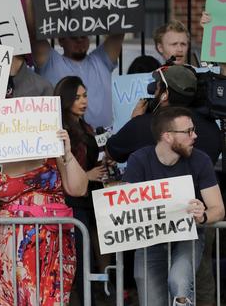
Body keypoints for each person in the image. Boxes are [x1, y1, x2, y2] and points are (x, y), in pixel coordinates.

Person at [0, 129, 88, 305]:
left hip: (53, 243)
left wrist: (67, 153)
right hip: (12, 249)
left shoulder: (50, 146)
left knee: (53, 299)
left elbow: (79, 189)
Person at [122, 106, 225, 306]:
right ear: (167, 136)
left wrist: (202, 216)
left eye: (193, 130)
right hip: (150, 240)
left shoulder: (200, 160)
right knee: (151, 297)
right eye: (188, 131)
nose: (194, 136)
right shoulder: (139, 160)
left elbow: (218, 208)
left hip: (187, 237)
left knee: (179, 281)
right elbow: (126, 207)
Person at [24, 0, 149, 129]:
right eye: (74, 37)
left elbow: (120, 28)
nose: (79, 41)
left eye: (83, 36)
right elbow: (34, 34)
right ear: (61, 40)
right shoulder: (51, 61)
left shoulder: (101, 60)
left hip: (103, 143)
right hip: (64, 140)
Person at [54, 76, 106, 303]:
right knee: (78, 262)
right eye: (77, 97)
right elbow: (59, 172)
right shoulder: (61, 131)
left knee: (92, 259)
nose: (83, 101)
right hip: (72, 204)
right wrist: (88, 175)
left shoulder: (85, 126)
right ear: (65, 100)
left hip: (91, 201)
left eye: (85, 96)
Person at [106, 65, 222, 165]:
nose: (154, 92)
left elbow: (111, 152)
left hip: (160, 190)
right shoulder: (212, 128)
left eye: (157, 88)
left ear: (164, 95)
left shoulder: (143, 125)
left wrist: (135, 121)